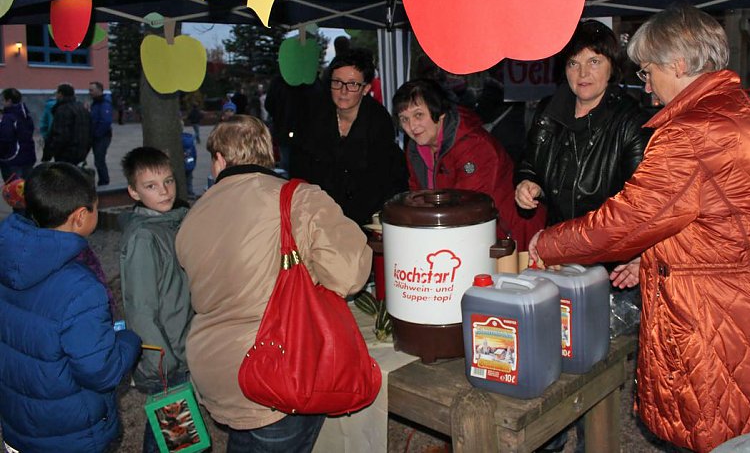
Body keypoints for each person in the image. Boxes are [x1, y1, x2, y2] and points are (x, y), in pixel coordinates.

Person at [528, 5, 750, 451]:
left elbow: (628, 219)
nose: (646, 85)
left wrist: (550, 242)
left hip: (718, 318)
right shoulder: (740, 110)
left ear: (679, 64)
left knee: (723, 434)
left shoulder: (690, 131)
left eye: (648, 71)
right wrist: (651, 257)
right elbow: (717, 219)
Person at [176, 115, 371, 452]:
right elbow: (349, 274)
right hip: (278, 369)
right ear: (268, 154)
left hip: (213, 369)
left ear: (219, 160)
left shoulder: (192, 216)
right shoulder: (298, 198)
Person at [0, 162, 141, 453]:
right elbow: (101, 371)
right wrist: (129, 342)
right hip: (68, 432)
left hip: (18, 421)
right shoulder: (82, 289)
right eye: (96, 208)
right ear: (79, 217)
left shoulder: (8, 258)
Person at [516, 20, 651, 288]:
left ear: (612, 67)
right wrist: (527, 184)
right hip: (557, 256)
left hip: (611, 266)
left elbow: (640, 204)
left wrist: (641, 256)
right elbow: (529, 163)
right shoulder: (548, 111)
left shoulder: (630, 121)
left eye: (594, 62)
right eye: (573, 63)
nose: (583, 73)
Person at [393, 78, 546, 250]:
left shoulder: (474, 145)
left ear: (440, 112)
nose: (412, 126)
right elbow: (417, 198)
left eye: (418, 115)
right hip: (467, 238)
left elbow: (468, 209)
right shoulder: (415, 149)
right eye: (404, 119)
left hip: (512, 238)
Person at [119, 147, 192, 453]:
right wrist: (164, 361)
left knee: (176, 435)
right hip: (165, 356)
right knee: (174, 436)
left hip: (180, 345)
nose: (164, 191)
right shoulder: (144, 237)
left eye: (168, 181)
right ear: (134, 192)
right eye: (151, 186)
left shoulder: (173, 221)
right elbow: (140, 309)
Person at [291, 48, 408, 225]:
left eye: (352, 84)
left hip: (367, 218)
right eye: (337, 82)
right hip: (319, 216)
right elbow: (301, 170)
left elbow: (383, 182)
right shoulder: (313, 118)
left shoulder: (379, 124)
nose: (343, 91)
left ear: (366, 88)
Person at [43, 83, 92, 165]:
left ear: (60, 94)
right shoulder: (81, 107)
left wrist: (49, 153)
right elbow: (89, 130)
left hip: (66, 153)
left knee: (64, 172)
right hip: (81, 151)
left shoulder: (63, 109)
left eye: (57, 93)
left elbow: (60, 135)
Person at [0, 88, 36, 183]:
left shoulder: (8, 118)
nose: (2, 102)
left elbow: (5, 138)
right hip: (28, 157)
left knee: (13, 189)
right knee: (26, 188)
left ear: (9, 101)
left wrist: (2, 155)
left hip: (12, 160)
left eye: (3, 100)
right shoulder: (26, 115)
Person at [89, 81, 113, 186]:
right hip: (97, 136)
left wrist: (97, 134)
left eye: (92, 90)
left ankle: (104, 182)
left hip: (102, 136)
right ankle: (103, 181)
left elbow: (106, 121)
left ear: (99, 90)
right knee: (98, 160)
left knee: (99, 160)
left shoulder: (104, 103)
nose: (90, 92)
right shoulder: (96, 103)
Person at [182, 131, 198, 197]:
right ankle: (190, 192)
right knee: (189, 180)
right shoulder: (191, 145)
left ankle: (186, 192)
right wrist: (194, 164)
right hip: (190, 165)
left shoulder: (180, 144)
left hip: (183, 165)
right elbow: (194, 155)